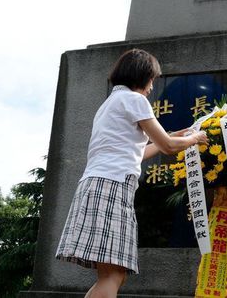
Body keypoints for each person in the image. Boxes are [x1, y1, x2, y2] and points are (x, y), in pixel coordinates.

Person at [55, 49, 208, 298]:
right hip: (113, 186)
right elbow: (168, 147)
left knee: (110, 275)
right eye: (151, 80)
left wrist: (178, 136)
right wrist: (195, 138)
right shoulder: (135, 100)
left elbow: (139, 151)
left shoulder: (110, 103)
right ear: (142, 75)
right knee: (113, 275)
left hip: (98, 184)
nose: (151, 88)